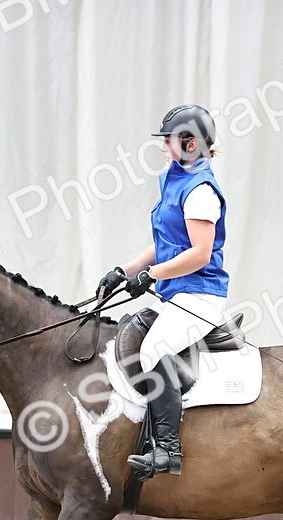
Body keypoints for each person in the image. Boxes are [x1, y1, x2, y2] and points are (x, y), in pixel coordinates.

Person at [96, 104, 228, 478]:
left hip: (201, 295)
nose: (163, 147)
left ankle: (168, 450)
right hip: (177, 293)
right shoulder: (174, 179)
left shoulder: (201, 191)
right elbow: (167, 241)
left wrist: (151, 276)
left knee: (154, 349)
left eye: (168, 140)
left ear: (189, 142)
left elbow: (199, 254)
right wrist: (126, 270)